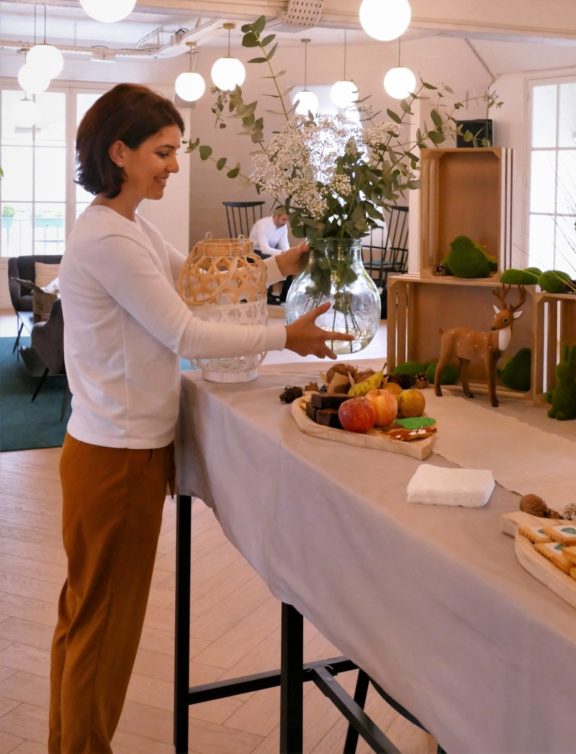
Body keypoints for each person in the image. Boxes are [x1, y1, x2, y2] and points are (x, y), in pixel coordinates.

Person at [48, 83, 351, 754]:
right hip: (117, 460)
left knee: (85, 622)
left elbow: (193, 284)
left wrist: (278, 265)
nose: (174, 166)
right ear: (118, 152)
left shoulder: (125, 225)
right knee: (102, 632)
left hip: (112, 451)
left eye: (176, 151)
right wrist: (282, 335)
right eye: (163, 152)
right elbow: (186, 332)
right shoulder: (111, 239)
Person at [250, 207, 293, 304]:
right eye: (284, 219)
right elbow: (264, 249)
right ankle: (267, 295)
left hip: (271, 251)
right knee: (270, 262)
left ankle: (285, 296)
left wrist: (289, 254)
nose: (285, 222)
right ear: (277, 216)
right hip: (255, 251)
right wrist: (282, 253)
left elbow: (284, 245)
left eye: (287, 220)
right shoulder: (262, 224)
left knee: (290, 261)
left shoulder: (283, 227)